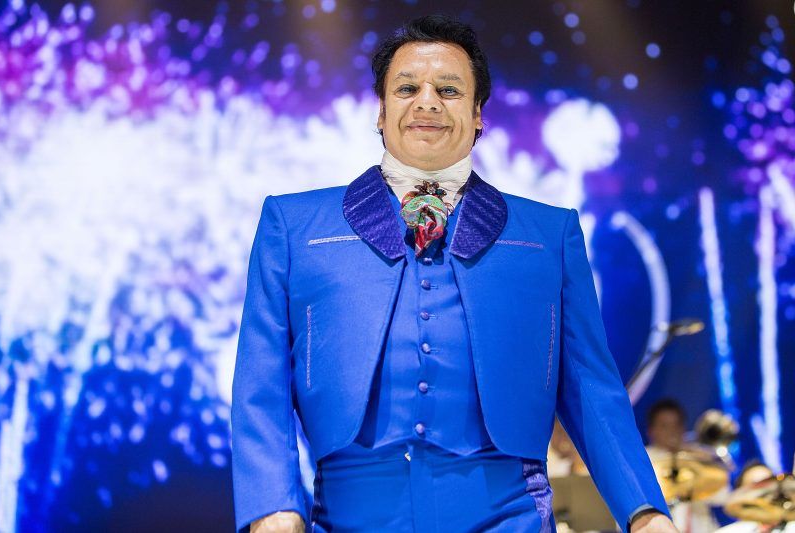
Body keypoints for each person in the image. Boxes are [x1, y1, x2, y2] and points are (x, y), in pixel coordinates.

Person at [232, 14, 676, 533]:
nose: (427, 103)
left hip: (507, 517)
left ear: (478, 113)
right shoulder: (294, 226)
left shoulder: (548, 234)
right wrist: (273, 506)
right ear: (380, 110)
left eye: (448, 90)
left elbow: (590, 387)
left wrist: (645, 512)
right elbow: (260, 380)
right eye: (407, 89)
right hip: (350, 517)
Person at [645, 399, 725, 533]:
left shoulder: (698, 455)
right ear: (651, 431)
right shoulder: (643, 461)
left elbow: (723, 497)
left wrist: (707, 460)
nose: (672, 431)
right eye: (664, 426)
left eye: (676, 425)